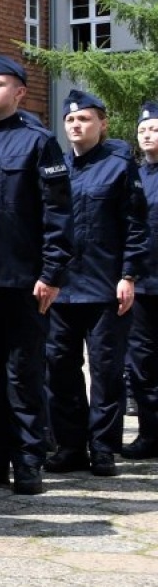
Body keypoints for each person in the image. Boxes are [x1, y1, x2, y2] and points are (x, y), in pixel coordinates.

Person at [0, 54, 74, 495]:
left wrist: (52, 271)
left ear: (20, 92)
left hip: (23, 280)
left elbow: (57, 212)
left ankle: (27, 460)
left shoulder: (38, 142)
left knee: (23, 375)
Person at [45, 89, 147, 478]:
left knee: (105, 371)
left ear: (102, 125)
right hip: (62, 287)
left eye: (84, 119)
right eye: (70, 120)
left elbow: (135, 225)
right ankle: (70, 446)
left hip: (105, 286)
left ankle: (103, 448)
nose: (76, 125)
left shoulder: (119, 167)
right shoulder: (56, 167)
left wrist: (128, 275)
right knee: (60, 368)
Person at [125, 101, 158, 460]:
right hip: (142, 282)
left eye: (155, 129)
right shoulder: (133, 175)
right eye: (143, 130)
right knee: (142, 363)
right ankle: (150, 434)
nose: (147, 134)